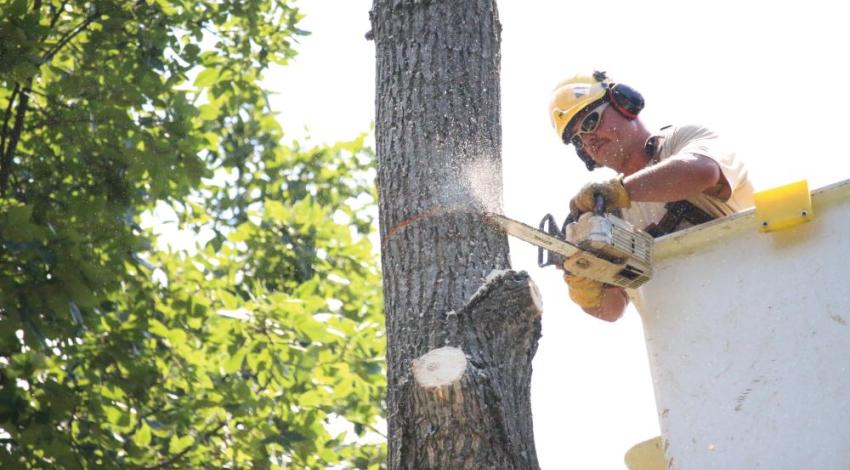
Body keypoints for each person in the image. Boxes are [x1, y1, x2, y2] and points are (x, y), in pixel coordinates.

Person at [549, 71, 755, 321]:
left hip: (751, 295)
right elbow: (612, 308)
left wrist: (620, 191)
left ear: (624, 104)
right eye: (578, 141)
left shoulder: (680, 141)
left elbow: (703, 172)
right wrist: (582, 281)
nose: (589, 141)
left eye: (590, 122)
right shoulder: (611, 216)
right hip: (686, 339)